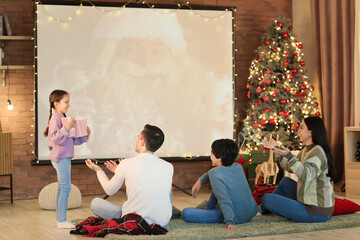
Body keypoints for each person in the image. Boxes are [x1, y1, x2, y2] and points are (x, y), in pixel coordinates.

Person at [85, 124, 173, 229]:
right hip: (163, 223)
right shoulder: (168, 166)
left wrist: (98, 170)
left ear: (142, 141)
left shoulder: (127, 163)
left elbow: (109, 190)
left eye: (137, 137)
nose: (136, 140)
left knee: (95, 203)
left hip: (135, 222)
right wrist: (119, 171)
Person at [261, 116, 335, 223]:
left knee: (266, 198)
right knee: (286, 182)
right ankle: (261, 210)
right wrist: (278, 151)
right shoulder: (306, 150)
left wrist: (290, 156)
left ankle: (261, 209)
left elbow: (305, 175)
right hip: (308, 201)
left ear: (311, 132)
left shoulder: (317, 152)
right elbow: (291, 168)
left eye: (301, 127)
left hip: (316, 212)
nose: (298, 130)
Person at [181, 139, 258, 230]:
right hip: (251, 211)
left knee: (186, 213)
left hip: (235, 216)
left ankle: (210, 210)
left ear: (219, 157)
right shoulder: (238, 167)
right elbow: (212, 174)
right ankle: (209, 209)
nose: (210, 156)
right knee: (206, 202)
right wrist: (200, 181)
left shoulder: (215, 173)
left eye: (212, 153)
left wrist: (230, 222)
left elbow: (224, 199)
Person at [44, 89, 90, 228]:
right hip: (60, 157)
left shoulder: (62, 117)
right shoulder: (55, 119)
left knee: (61, 188)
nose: (68, 105)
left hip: (64, 156)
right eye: (66, 102)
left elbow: (70, 140)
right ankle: (62, 220)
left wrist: (85, 135)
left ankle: (61, 219)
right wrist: (67, 128)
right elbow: (54, 138)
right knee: (66, 188)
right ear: (56, 104)